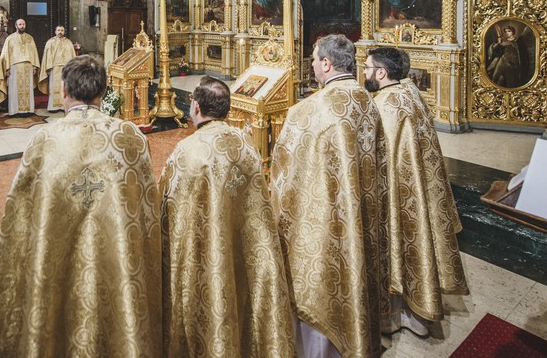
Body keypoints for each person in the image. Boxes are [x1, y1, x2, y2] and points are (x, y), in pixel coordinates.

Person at [0, 55, 161, 355]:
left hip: (56, 271)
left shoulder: (44, 140)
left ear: (63, 90)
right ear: (103, 92)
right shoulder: (130, 138)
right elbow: (148, 210)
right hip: (117, 267)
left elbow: (18, 216)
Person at [271, 34, 388, 358]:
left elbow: (284, 176)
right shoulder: (367, 102)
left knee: (322, 284)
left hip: (324, 224)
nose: (311, 64)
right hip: (361, 214)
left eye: (313, 59)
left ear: (326, 63)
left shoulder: (308, 111)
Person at [160, 77, 294, 356]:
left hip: (206, 256)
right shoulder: (246, 144)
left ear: (195, 107)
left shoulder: (188, 151)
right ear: (227, 109)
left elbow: (168, 208)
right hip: (243, 249)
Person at [365, 48, 468, 338]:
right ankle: (417, 311)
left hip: (399, 191)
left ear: (381, 73)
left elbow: (378, 156)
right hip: (418, 187)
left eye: (367, 67)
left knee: (397, 246)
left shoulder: (386, 106)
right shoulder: (410, 93)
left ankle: (396, 315)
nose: (364, 72)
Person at [1, 17, 40, 116]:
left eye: (23, 24)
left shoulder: (30, 38)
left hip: (28, 66)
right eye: (20, 24)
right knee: (14, 89)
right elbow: (6, 54)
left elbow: (34, 53)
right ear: (16, 26)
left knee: (28, 88)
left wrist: (34, 67)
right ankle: (15, 111)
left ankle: (28, 110)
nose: (22, 26)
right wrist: (7, 68)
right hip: (15, 67)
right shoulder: (10, 38)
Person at [38, 25, 77, 112]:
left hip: (66, 68)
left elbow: (72, 56)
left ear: (64, 31)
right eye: (58, 30)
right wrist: (48, 68)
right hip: (54, 68)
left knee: (65, 87)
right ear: (55, 31)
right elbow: (47, 56)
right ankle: (53, 107)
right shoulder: (50, 42)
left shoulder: (68, 42)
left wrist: (72, 68)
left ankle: (64, 106)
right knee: (54, 87)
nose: (60, 32)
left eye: (62, 30)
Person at [486, 24, 528, 88]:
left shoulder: (518, 41)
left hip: (513, 64)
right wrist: (498, 45)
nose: (507, 33)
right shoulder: (502, 41)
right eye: (505, 31)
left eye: (509, 31)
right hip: (502, 62)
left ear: (513, 32)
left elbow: (522, 53)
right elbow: (496, 51)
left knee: (511, 80)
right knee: (497, 78)